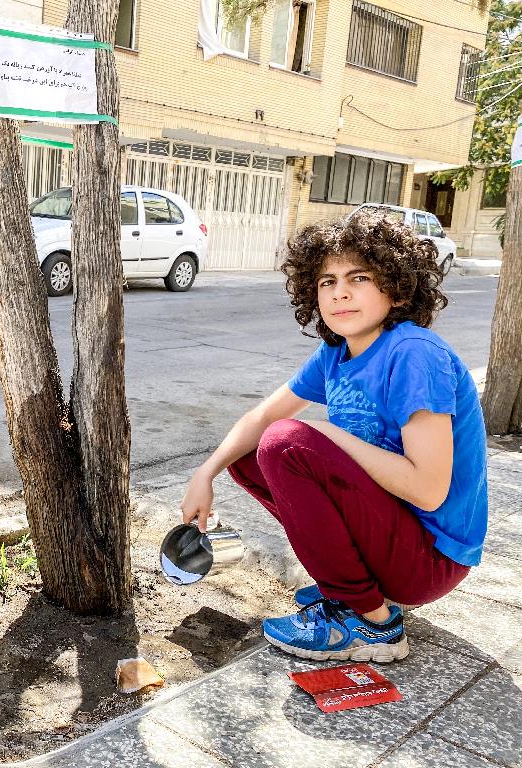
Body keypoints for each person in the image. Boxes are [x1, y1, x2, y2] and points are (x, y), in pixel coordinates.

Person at [180, 213, 487, 663]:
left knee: (287, 444)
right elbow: (262, 415)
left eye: (358, 277)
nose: (339, 292)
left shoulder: (414, 354)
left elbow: (428, 488)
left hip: (429, 559)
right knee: (250, 454)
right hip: (391, 537)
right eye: (327, 281)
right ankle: (351, 587)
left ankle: (373, 623)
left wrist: (326, 435)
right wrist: (205, 473)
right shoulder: (337, 354)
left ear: (396, 287)